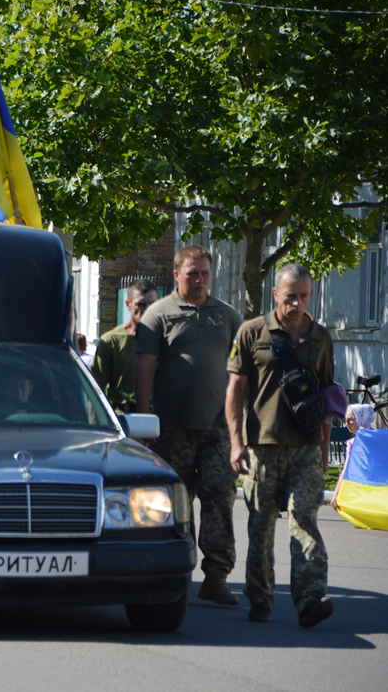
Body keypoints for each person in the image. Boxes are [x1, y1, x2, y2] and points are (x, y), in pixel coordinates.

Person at [226, 263, 335, 627]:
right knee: (262, 525)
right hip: (262, 446)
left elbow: (326, 399)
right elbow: (235, 390)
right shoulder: (252, 332)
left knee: (305, 520)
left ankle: (309, 598)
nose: (298, 304)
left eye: (305, 297)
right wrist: (236, 442)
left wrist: (323, 450)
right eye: (290, 297)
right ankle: (260, 598)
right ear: (275, 294)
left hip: (304, 448)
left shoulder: (321, 338)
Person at [135, 244, 243, 606]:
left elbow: (243, 371)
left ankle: (217, 576)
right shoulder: (157, 315)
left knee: (219, 496)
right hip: (171, 428)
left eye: (205, 274)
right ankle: (178, 574)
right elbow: (144, 369)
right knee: (176, 503)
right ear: (176, 275)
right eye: (192, 273)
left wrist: (241, 426)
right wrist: (145, 420)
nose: (199, 280)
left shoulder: (227, 315)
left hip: (216, 427)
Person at [91, 280, 158, 412]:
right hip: (123, 417)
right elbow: (95, 390)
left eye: (152, 304)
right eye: (141, 304)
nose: (147, 310)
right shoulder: (111, 341)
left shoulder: (166, 340)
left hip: (158, 418)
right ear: (128, 305)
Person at [330, 404, 375, 512]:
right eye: (345, 420)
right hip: (362, 490)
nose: (347, 424)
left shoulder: (376, 438)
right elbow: (346, 469)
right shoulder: (352, 443)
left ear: (361, 418)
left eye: (351, 419)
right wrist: (335, 494)